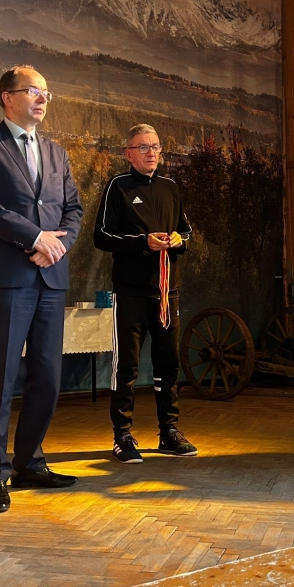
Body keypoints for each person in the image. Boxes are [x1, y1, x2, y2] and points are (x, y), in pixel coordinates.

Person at [0, 64, 83, 513]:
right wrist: (34, 238)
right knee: (0, 378)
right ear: (7, 97)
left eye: (46, 92)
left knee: (47, 377)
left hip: (50, 276)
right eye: (33, 90)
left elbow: (73, 210)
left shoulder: (56, 152)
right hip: (8, 276)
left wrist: (56, 246)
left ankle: (30, 462)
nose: (42, 98)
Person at [93, 124, 195, 463]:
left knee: (169, 364)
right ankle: (122, 435)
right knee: (127, 366)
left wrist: (179, 240)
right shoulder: (118, 186)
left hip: (167, 292)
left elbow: (186, 231)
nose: (151, 153)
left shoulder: (170, 187)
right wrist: (142, 242)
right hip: (131, 293)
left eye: (155, 147)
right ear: (129, 154)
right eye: (143, 147)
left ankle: (169, 432)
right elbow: (102, 236)